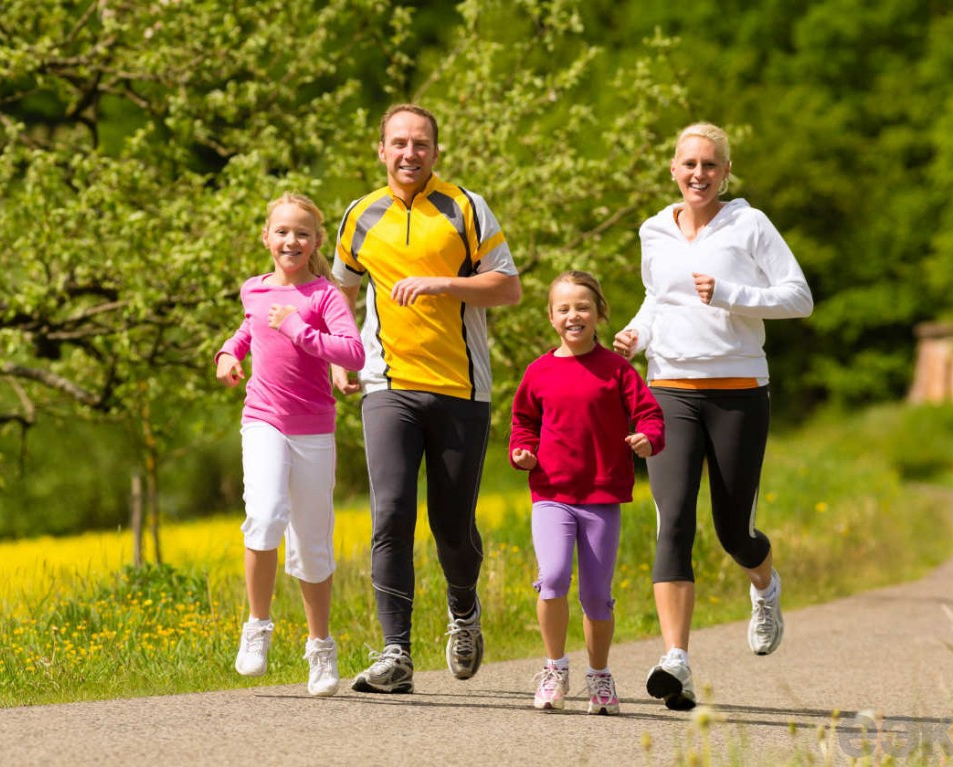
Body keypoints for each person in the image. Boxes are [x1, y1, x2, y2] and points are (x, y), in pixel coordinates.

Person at [613, 122, 813, 711]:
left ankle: (764, 584)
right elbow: (659, 297)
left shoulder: (750, 225)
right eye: (689, 164)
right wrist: (637, 332)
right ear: (673, 168)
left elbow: (798, 296)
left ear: (726, 173)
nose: (698, 174)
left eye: (710, 165)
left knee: (733, 530)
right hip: (669, 388)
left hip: (738, 391)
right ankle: (675, 658)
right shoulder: (654, 229)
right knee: (672, 520)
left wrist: (732, 294)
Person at [330, 104, 521, 694]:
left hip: (462, 388)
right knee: (389, 515)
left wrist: (443, 284)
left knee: (452, 526)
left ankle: (463, 610)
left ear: (435, 152)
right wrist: (342, 355)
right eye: (399, 143)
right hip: (389, 385)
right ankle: (396, 653)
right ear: (380, 150)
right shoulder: (360, 215)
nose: (409, 153)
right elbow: (340, 287)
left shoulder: (465, 207)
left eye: (421, 144)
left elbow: (508, 287)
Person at [215, 193, 365, 697]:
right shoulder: (253, 291)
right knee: (264, 514)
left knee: (311, 542)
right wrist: (228, 353)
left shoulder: (324, 297)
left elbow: (352, 351)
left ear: (316, 242)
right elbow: (250, 328)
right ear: (266, 237)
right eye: (281, 231)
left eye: (302, 233)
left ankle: (320, 646)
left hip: (314, 427)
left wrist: (299, 329)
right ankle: (257, 626)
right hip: (263, 418)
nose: (291, 241)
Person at [509, 271, 664, 715]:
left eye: (583, 307)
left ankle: (599, 676)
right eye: (564, 308)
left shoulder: (617, 370)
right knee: (553, 577)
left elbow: (649, 414)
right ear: (552, 317)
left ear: (599, 314)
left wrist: (648, 438)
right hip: (552, 493)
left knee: (596, 595)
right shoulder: (538, 372)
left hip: (601, 496)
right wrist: (522, 452)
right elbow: (524, 424)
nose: (573, 315)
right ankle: (555, 668)